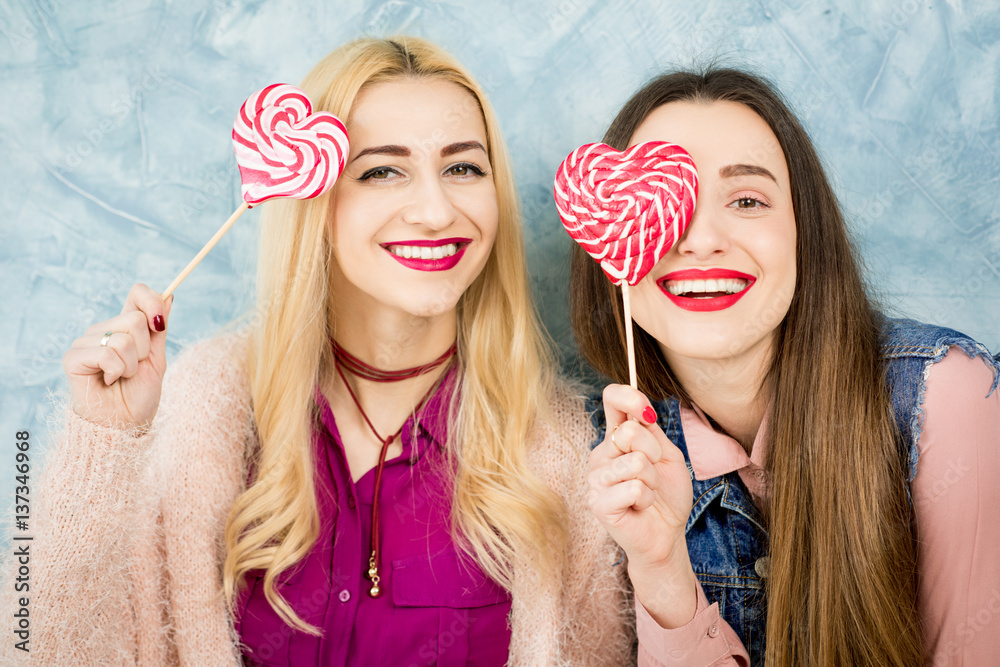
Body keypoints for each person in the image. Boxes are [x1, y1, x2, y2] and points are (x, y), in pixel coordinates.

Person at [0, 37, 646, 665]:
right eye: (382, 170)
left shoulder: (567, 452)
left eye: (462, 167)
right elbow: (37, 650)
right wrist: (102, 442)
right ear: (313, 193)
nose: (434, 208)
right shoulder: (202, 409)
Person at [572, 68, 1000, 666]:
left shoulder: (944, 395)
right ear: (608, 244)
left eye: (747, 200)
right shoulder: (600, 462)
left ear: (805, 233)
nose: (700, 240)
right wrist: (660, 564)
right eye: (667, 205)